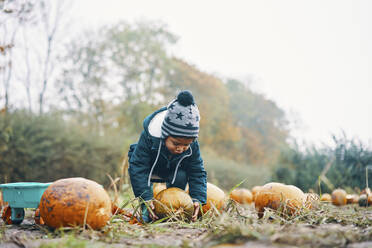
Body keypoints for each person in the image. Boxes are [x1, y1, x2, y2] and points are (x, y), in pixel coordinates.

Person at [128, 90, 207, 223]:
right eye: (176, 143)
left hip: (173, 170)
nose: (181, 148)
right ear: (165, 135)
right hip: (150, 166)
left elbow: (197, 171)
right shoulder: (149, 137)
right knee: (141, 178)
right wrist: (146, 198)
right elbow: (138, 167)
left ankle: (172, 206)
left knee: (182, 175)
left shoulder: (192, 145)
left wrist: (197, 198)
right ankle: (147, 209)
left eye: (186, 145)